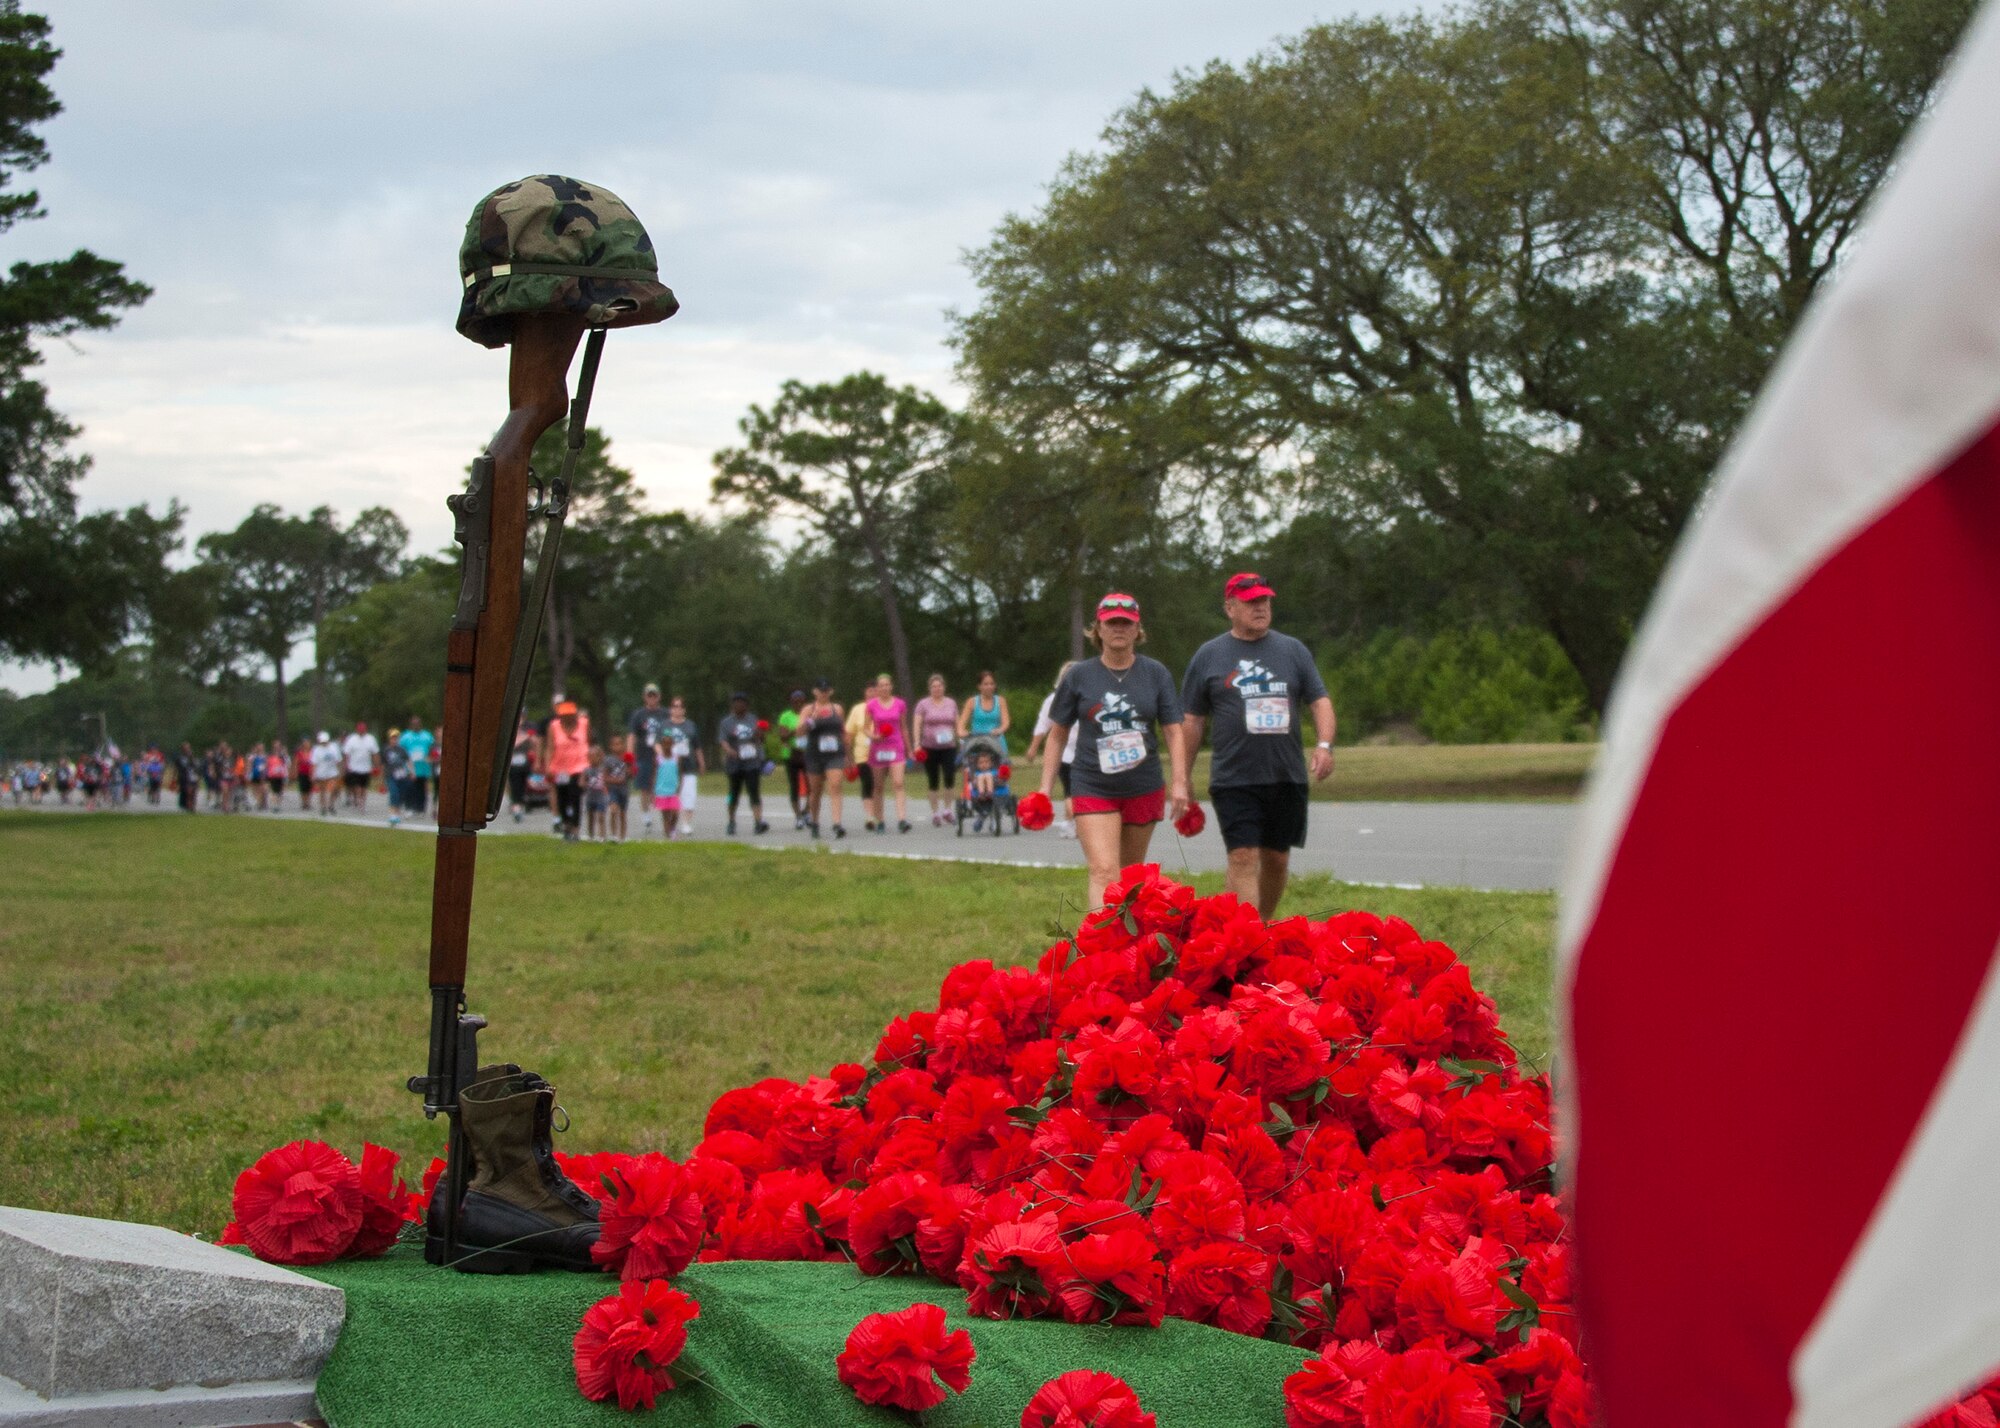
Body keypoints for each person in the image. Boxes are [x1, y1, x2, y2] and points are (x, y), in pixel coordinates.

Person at [1178, 571, 1336, 919]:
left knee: (1277, 859)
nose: (1261, 608)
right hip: (1234, 776)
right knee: (1243, 856)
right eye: (1252, 602)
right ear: (1230, 607)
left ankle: (1260, 925)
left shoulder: (1292, 650)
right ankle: (1248, 940)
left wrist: (1324, 744)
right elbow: (1191, 719)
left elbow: (1319, 700)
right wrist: (1182, 775)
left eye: (1265, 601)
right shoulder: (1209, 655)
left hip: (1285, 774)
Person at [1036, 593, 1187, 910]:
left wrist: (1180, 782)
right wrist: (1044, 789)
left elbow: (1173, 731)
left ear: (1137, 629)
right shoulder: (1079, 675)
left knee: (1131, 879)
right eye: (1111, 622)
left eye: (1126, 622)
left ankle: (1128, 952)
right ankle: (1101, 949)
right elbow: (1057, 734)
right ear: (1098, 630)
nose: (1119, 628)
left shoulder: (1156, 673)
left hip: (1143, 785)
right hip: (1093, 783)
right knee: (1104, 871)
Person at [1025, 660, 1080, 836]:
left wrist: (1033, 748)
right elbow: (1043, 725)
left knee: (1070, 791)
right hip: (1070, 752)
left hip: (1071, 752)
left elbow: (1042, 726)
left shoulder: (1052, 700)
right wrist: (1033, 748)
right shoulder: (1086, 697)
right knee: (1076, 791)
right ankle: (1073, 822)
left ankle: (1073, 822)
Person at [864, 674, 913, 834]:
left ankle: (902, 819)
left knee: (898, 783)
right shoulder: (871, 705)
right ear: (877, 688)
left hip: (896, 747)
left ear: (891, 686)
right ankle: (880, 820)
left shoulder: (900, 704)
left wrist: (909, 749)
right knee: (878, 787)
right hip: (878, 749)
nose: (884, 688)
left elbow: (904, 727)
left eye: (887, 685)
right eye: (881, 685)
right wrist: (874, 736)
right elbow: (865, 728)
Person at [800, 679, 848, 839]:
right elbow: (799, 732)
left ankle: (837, 824)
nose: (824, 693)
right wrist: (811, 719)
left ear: (831, 691)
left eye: (826, 690)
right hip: (814, 754)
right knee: (816, 791)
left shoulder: (837, 709)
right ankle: (814, 821)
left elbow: (843, 731)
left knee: (835, 785)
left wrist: (848, 753)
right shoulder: (808, 709)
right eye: (821, 690)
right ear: (815, 692)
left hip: (834, 753)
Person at [717, 692, 769, 836]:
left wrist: (760, 734)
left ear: (746, 705)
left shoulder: (753, 719)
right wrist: (729, 750)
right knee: (733, 794)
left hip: (751, 762)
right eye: (736, 702)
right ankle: (731, 821)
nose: (739, 705)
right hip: (734, 763)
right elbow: (723, 740)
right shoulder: (726, 722)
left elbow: (761, 740)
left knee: (754, 792)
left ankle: (758, 822)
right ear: (732, 705)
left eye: (742, 702)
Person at [628, 683, 675, 835]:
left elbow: (673, 731)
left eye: (654, 695)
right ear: (645, 697)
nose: (652, 698)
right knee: (644, 788)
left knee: (662, 787)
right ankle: (646, 816)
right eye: (649, 695)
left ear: (659, 697)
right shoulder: (639, 715)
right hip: (644, 754)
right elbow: (632, 735)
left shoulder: (666, 714)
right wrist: (629, 755)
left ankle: (666, 818)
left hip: (663, 755)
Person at [912, 673, 959, 826]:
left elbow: (957, 722)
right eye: (934, 687)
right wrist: (917, 744)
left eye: (939, 686)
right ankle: (935, 813)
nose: (937, 689)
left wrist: (961, 738)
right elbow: (917, 724)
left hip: (948, 746)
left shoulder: (951, 703)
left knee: (949, 775)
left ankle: (947, 810)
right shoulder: (923, 704)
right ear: (929, 688)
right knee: (933, 780)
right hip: (929, 746)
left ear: (944, 687)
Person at [543, 699, 591, 841]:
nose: (567, 717)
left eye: (570, 714)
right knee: (562, 797)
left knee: (575, 796)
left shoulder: (584, 724)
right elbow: (550, 747)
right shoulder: (554, 726)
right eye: (564, 715)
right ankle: (566, 824)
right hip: (560, 768)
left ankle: (575, 827)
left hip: (579, 766)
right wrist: (548, 766)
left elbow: (588, 742)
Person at [663, 696, 704, 837]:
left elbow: (697, 746)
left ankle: (686, 823)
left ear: (684, 709)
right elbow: (658, 744)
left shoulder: (690, 725)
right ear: (670, 709)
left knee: (689, 795)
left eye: (680, 706)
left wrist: (701, 762)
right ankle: (670, 823)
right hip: (671, 766)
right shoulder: (665, 726)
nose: (677, 709)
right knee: (671, 795)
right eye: (674, 706)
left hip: (689, 765)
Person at [844, 688, 876, 830]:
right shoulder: (858, 710)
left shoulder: (884, 708)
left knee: (877, 785)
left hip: (881, 754)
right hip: (863, 754)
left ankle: (877, 813)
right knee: (867, 783)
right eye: (870, 691)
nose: (872, 694)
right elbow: (848, 734)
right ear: (865, 693)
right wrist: (848, 756)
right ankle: (869, 816)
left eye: (875, 691)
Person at [958, 670, 1010, 753]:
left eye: (991, 684)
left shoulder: (1001, 701)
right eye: (986, 684)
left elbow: (1006, 723)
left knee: (1004, 766)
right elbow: (961, 725)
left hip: (997, 742)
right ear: (979, 686)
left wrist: (1000, 730)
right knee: (970, 765)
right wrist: (962, 732)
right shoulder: (971, 702)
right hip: (977, 743)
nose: (989, 687)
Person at [778, 689, 809, 828]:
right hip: (791, 754)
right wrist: (796, 731)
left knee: (812, 785)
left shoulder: (809, 714)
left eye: (800, 701)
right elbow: (783, 736)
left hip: (807, 753)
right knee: (794, 786)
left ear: (804, 701)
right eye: (795, 701)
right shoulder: (786, 716)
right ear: (791, 702)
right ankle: (798, 817)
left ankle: (806, 811)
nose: (798, 704)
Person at [400, 715, 436, 820]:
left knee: (421, 789)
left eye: (417, 723)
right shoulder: (406, 736)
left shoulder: (427, 736)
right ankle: (409, 807)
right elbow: (402, 750)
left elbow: (432, 749)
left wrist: (430, 757)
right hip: (410, 767)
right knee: (410, 788)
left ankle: (421, 808)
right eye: (414, 723)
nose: (415, 725)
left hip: (423, 767)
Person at [341, 720, 381, 812]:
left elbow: (375, 753)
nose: (361, 732)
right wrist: (346, 765)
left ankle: (363, 802)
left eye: (363, 730)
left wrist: (377, 765)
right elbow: (346, 753)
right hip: (354, 767)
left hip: (366, 767)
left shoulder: (370, 739)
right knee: (357, 786)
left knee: (364, 787)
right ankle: (359, 801)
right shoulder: (352, 739)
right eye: (360, 730)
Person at [649, 734, 682, 837]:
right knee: (666, 814)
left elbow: (680, 773)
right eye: (665, 744)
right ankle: (667, 833)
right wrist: (653, 790)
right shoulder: (659, 758)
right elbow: (654, 774)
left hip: (673, 789)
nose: (667, 746)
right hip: (661, 789)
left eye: (669, 744)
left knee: (675, 812)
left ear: (672, 745)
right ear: (662, 746)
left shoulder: (676, 758)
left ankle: (672, 828)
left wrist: (679, 786)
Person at [507, 718, 538, 822]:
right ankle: (516, 806)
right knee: (515, 786)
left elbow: (535, 743)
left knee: (526, 785)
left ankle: (522, 804)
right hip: (513, 765)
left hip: (525, 764)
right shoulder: (510, 733)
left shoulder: (529, 731)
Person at [605, 734, 632, 842]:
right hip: (613, 789)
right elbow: (605, 776)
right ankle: (613, 834)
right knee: (613, 810)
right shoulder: (608, 760)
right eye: (615, 744)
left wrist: (629, 769)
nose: (618, 746)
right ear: (611, 746)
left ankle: (623, 836)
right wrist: (615, 781)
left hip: (624, 790)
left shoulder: (626, 758)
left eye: (620, 744)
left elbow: (630, 774)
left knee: (623, 814)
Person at [383, 729, 412, 826]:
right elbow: (384, 764)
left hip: (401, 775)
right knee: (394, 793)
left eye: (396, 738)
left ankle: (397, 814)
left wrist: (411, 772)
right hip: (391, 775)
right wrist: (382, 777)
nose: (394, 740)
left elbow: (408, 760)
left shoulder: (401, 750)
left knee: (400, 795)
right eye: (392, 738)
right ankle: (392, 814)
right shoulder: (387, 750)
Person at [310, 731, 343, 815]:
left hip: (332, 772)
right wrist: (313, 774)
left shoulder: (334, 747)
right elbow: (314, 763)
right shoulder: (316, 749)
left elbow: (338, 760)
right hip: (321, 772)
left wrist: (340, 771)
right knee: (322, 791)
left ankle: (331, 804)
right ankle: (323, 807)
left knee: (334, 789)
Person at [584, 742, 609, 841]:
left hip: (601, 797)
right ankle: (591, 835)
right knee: (590, 817)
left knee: (601, 816)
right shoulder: (587, 770)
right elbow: (582, 781)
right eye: (590, 757)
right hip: (590, 797)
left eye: (595, 756)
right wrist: (585, 784)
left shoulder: (603, 769)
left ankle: (602, 836)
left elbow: (607, 780)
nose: (592, 759)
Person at [173, 742, 199, 813]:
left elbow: (197, 768)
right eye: (185, 748)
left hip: (193, 777)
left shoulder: (194, 758)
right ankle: (185, 806)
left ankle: (192, 806)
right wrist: (174, 778)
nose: (187, 750)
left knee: (192, 792)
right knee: (186, 792)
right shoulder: (180, 758)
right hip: (183, 777)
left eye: (188, 748)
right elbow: (176, 768)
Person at [264, 742, 288, 810]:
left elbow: (285, 766)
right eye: (275, 747)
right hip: (272, 775)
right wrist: (266, 775)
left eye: (278, 746)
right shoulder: (270, 756)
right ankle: (275, 805)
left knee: (280, 791)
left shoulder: (282, 756)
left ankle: (278, 804)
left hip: (280, 776)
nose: (277, 748)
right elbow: (267, 765)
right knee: (274, 791)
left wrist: (286, 775)